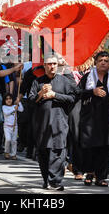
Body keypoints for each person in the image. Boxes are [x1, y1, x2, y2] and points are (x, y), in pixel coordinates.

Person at [28, 53, 77, 191]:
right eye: (49, 64)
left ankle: (55, 181)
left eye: (54, 64)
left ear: (58, 65)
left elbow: (72, 98)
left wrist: (55, 95)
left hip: (59, 122)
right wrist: (41, 94)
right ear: (44, 66)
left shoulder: (64, 81)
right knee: (43, 153)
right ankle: (47, 180)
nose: (52, 67)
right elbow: (31, 101)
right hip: (42, 124)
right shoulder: (38, 82)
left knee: (58, 152)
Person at [78, 51, 109, 187]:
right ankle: (90, 173)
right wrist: (92, 91)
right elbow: (77, 93)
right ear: (95, 63)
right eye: (100, 60)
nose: (103, 62)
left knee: (105, 149)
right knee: (89, 148)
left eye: (106, 60)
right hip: (90, 119)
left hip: (108, 119)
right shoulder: (87, 77)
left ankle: (101, 177)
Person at [2, 93, 24, 160]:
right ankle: (7, 152)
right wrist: (14, 109)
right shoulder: (4, 107)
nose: (9, 100)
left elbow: (22, 109)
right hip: (7, 127)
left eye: (10, 99)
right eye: (7, 99)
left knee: (14, 141)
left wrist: (19, 102)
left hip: (14, 126)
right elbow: (6, 113)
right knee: (8, 139)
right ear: (5, 100)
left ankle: (13, 154)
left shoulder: (15, 106)